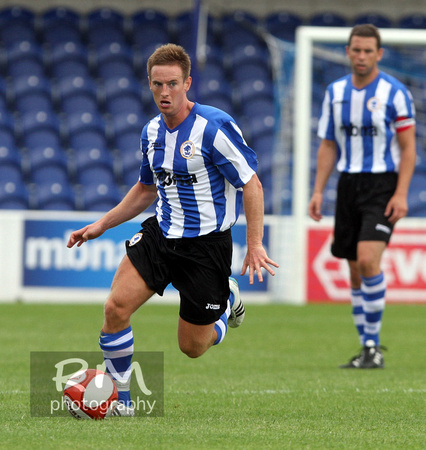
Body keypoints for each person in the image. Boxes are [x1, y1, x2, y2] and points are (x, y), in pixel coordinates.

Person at [67, 43, 278, 415]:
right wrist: (101, 224)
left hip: (206, 247)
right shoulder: (151, 132)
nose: (164, 93)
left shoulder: (213, 128)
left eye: (172, 84)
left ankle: (226, 303)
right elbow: (146, 189)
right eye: (157, 84)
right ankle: (123, 404)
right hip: (161, 236)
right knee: (116, 308)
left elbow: (252, 184)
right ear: (149, 84)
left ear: (188, 83)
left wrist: (256, 243)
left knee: (192, 347)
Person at [308, 24, 416, 369]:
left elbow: (409, 146)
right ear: (347, 52)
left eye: (368, 50)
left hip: (382, 185)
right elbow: (327, 144)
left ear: (379, 54)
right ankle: (367, 346)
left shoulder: (396, 93)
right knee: (355, 269)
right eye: (356, 49)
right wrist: (318, 190)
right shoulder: (336, 93)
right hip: (348, 184)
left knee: (369, 260)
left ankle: (374, 348)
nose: (362, 56)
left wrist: (401, 193)